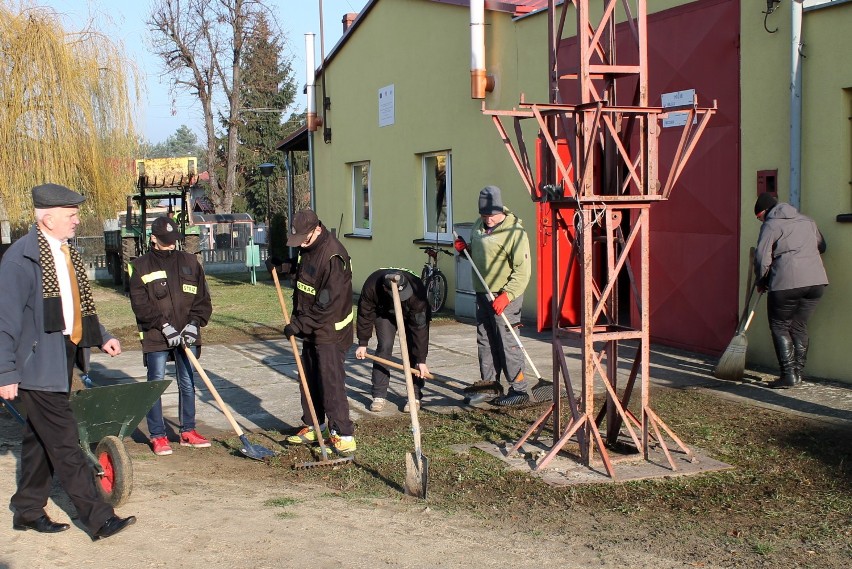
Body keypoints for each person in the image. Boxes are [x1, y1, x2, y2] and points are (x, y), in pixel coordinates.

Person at [0, 183, 136, 540]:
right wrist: (5, 372)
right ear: (47, 218)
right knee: (64, 441)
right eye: (71, 215)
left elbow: (76, 307)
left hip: (62, 354)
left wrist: (102, 335)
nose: (77, 220)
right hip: (34, 365)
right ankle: (99, 518)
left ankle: (27, 510)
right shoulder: (20, 259)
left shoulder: (65, 254)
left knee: (39, 439)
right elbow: (5, 323)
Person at [267, 209, 356, 455]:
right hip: (309, 327)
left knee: (331, 382)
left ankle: (344, 434)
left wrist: (298, 325)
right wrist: (282, 267)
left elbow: (327, 306)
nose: (301, 244)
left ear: (317, 229)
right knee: (307, 378)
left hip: (330, 330)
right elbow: (303, 277)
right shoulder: (307, 249)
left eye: (304, 238)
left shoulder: (334, 256)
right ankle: (315, 426)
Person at [129, 216, 213, 455]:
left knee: (187, 382)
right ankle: (158, 436)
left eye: (174, 240)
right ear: (153, 238)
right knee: (155, 383)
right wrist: (164, 326)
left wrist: (194, 324)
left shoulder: (190, 262)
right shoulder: (141, 266)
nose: (171, 244)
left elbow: (202, 300)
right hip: (157, 335)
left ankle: (188, 431)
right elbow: (140, 304)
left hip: (187, 335)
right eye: (165, 241)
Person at [454, 185, 534, 406]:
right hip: (482, 293)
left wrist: (507, 296)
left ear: (501, 210)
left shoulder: (514, 233)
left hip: (504, 295)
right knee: (485, 340)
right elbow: (482, 252)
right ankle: (490, 386)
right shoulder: (480, 225)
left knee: (507, 341)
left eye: (491, 215)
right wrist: (466, 250)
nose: (487, 220)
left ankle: (519, 390)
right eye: (484, 215)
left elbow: (523, 270)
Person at [753, 192, 828, 389]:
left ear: (765, 211)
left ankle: (788, 375)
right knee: (799, 326)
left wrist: (761, 280)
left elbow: (762, 259)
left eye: (759, 217)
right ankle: (798, 373)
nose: (760, 221)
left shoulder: (771, 225)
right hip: (816, 282)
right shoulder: (807, 221)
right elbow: (822, 246)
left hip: (786, 282)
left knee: (779, 326)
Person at [354, 269, 431, 412]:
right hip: (385, 314)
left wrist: (421, 360)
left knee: (413, 350)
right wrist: (363, 343)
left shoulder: (416, 291)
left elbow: (420, 329)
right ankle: (379, 395)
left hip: (410, 313)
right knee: (384, 346)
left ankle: (414, 396)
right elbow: (365, 314)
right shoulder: (372, 286)